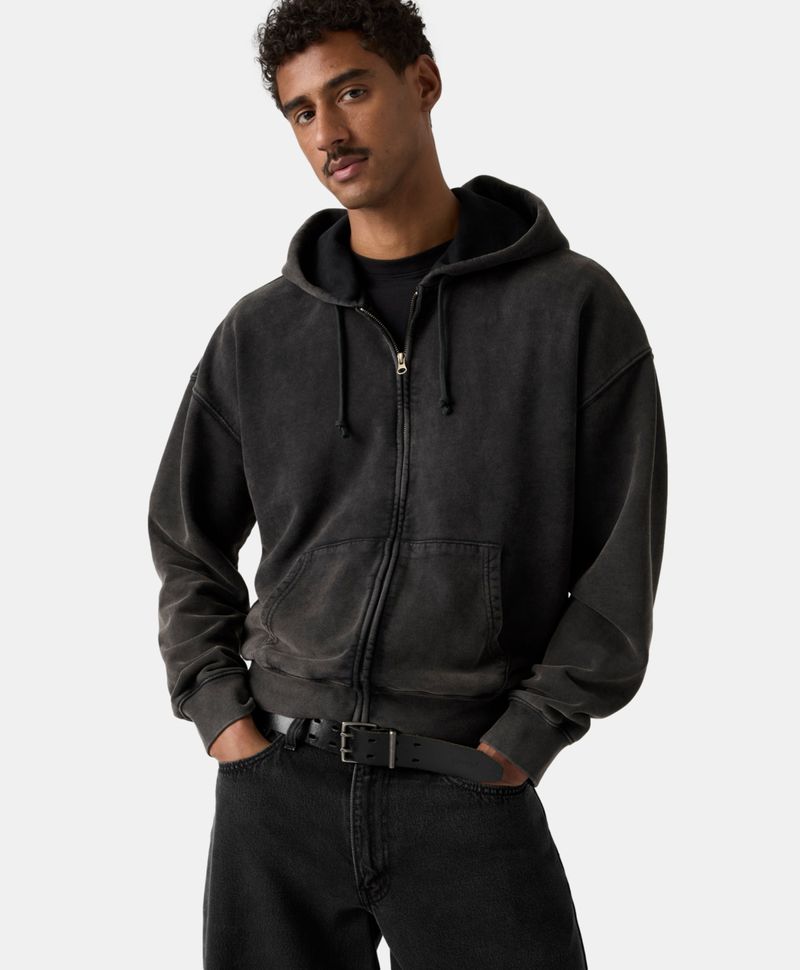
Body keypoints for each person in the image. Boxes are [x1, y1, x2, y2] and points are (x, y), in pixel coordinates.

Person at [147, 1, 668, 967]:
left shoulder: (570, 310)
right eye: (302, 111)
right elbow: (185, 537)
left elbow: (619, 563)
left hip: (467, 785)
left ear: (423, 82)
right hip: (277, 791)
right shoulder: (261, 334)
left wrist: (527, 735)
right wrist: (221, 714)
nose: (329, 133)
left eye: (352, 91)